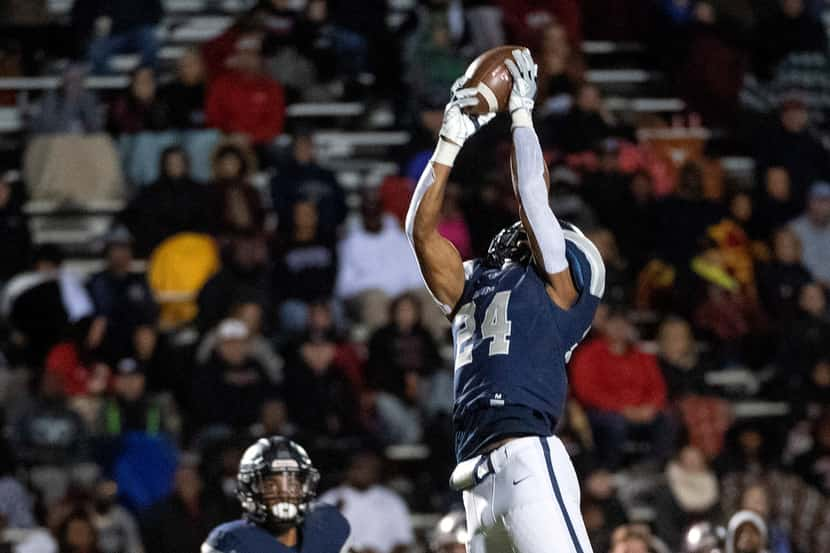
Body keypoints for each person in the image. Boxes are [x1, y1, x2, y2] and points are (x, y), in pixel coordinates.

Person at [405, 48, 604, 553]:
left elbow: (533, 199)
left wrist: (521, 114)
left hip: (526, 466)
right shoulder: (473, 283)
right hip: (474, 485)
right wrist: (449, 140)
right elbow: (419, 232)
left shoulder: (559, 293)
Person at [202, 436, 351, 553]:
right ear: (251, 489)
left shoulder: (325, 524)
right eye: (271, 485)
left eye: (292, 483)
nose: (284, 493)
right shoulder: (232, 539)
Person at [570, 307, 672, 469]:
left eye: (623, 324)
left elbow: (658, 387)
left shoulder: (642, 355)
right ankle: (608, 470)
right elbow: (586, 391)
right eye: (614, 324)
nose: (619, 329)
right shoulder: (589, 354)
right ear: (605, 326)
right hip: (605, 411)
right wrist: (622, 409)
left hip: (641, 411)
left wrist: (649, 408)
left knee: (667, 419)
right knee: (614, 424)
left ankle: (652, 467)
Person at [87, 226, 158, 365]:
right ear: (107, 252)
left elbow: (149, 311)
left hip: (133, 332)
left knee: (147, 334)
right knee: (98, 327)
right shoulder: (98, 281)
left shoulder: (139, 281)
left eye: (125, 248)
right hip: (110, 333)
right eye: (116, 248)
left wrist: (147, 327)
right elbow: (101, 313)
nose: (121, 253)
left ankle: (143, 374)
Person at [319, 450, 412, 553]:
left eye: (372, 469)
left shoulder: (392, 500)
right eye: (361, 468)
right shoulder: (331, 499)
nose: (366, 472)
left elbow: (403, 541)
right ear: (350, 470)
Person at [789, 181, 830, 286]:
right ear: (809, 202)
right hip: (806, 288)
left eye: (826, 201)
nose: (822, 207)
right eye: (818, 201)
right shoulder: (794, 229)